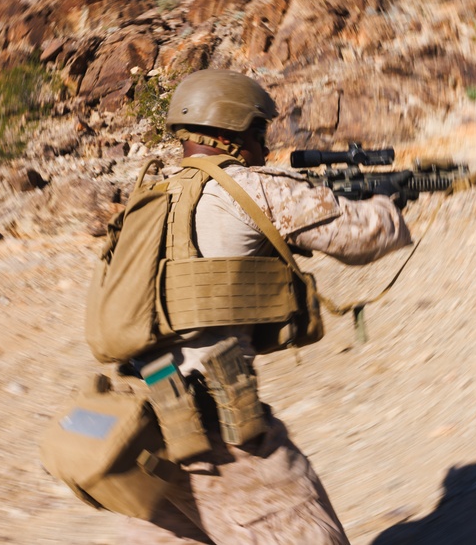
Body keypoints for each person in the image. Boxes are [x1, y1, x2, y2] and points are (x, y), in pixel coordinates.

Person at [117, 69, 412, 543]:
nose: (266, 146)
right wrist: (387, 201)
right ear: (233, 132)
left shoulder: (150, 197)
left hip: (141, 426)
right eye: (260, 132)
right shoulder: (252, 187)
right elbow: (363, 237)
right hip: (219, 431)